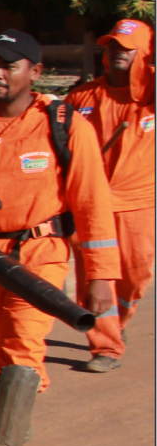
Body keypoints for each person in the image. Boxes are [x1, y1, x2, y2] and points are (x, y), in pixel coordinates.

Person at [0, 29, 117, 446]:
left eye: (9, 65)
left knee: (22, 343)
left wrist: (100, 276)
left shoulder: (63, 124)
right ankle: (9, 420)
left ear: (36, 72)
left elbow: (92, 201)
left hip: (41, 252)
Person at [65, 19, 154, 373]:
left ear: (145, 53)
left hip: (139, 202)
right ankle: (105, 345)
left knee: (135, 274)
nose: (117, 52)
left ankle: (120, 321)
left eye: (127, 47)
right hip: (90, 203)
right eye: (113, 45)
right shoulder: (82, 97)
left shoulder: (151, 96)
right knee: (93, 274)